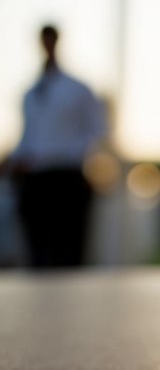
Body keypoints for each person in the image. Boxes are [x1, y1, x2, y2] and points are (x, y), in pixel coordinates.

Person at [1, 25, 106, 268]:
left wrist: (65, 154)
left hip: (67, 177)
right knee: (37, 251)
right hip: (35, 179)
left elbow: (96, 131)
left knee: (69, 251)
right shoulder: (30, 93)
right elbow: (28, 136)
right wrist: (13, 160)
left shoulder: (77, 89)